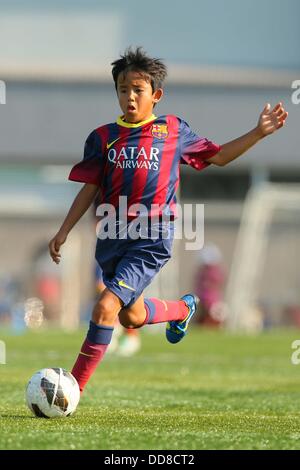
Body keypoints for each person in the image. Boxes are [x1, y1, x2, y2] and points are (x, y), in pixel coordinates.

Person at [49, 47, 288, 393]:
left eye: (137, 89)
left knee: (105, 306)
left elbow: (218, 156)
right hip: (113, 235)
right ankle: (181, 309)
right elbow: (90, 188)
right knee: (129, 315)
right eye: (122, 88)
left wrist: (258, 132)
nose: (129, 97)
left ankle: (70, 390)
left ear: (156, 95)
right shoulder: (102, 137)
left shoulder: (172, 130)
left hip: (152, 237)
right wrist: (64, 230)